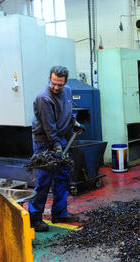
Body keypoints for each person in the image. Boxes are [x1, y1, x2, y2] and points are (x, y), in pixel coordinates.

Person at [28, 66, 85, 232]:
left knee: (63, 177)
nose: (56, 87)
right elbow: (49, 128)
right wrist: (58, 148)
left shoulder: (66, 91)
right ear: (49, 79)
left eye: (60, 84)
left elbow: (68, 111)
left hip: (59, 137)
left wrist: (74, 123)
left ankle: (60, 213)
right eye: (53, 83)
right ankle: (34, 218)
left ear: (65, 82)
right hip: (44, 142)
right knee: (43, 180)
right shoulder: (43, 98)